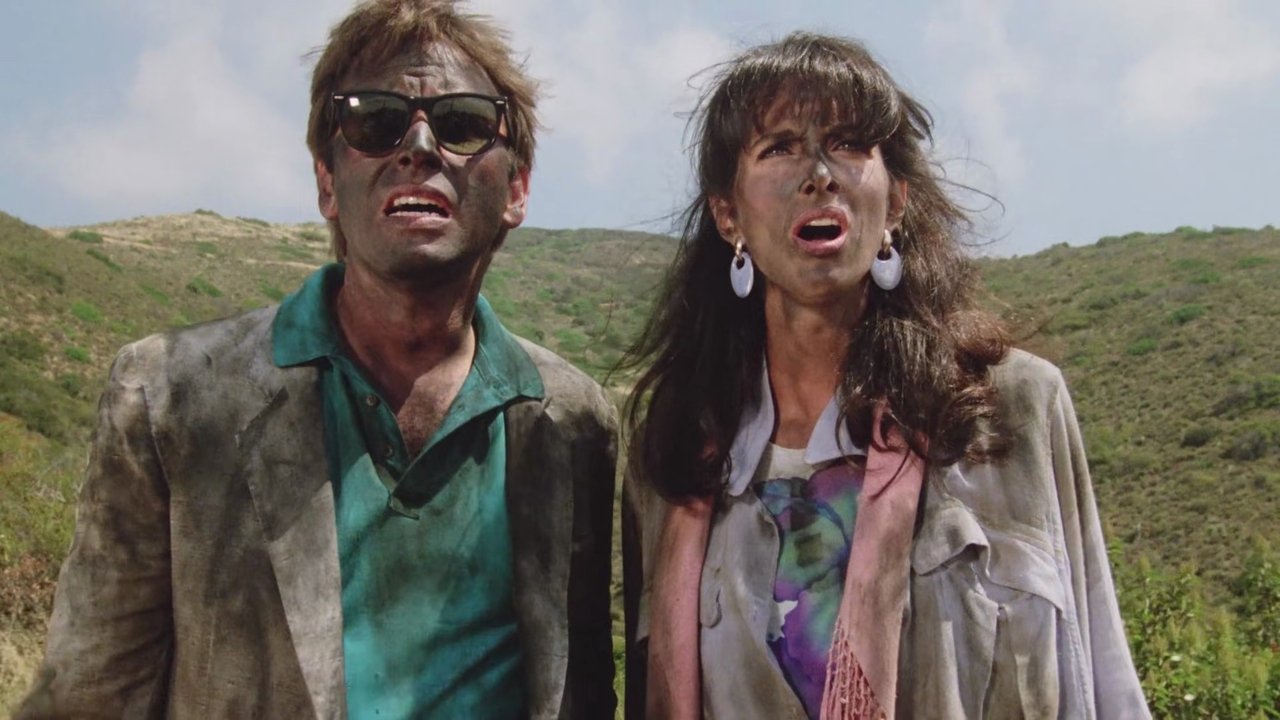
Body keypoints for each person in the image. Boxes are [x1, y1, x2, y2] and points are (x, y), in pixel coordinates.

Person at [18, 1, 617, 717]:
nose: (419, 146)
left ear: (516, 189)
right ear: (327, 183)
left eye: (462, 123)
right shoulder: (169, 398)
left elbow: (584, 685)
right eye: (375, 121)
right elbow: (90, 696)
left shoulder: (573, 421)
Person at [622, 32, 1148, 719]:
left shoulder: (1013, 406)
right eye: (779, 147)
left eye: (847, 143)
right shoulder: (673, 454)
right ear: (729, 216)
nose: (819, 174)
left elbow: (1100, 678)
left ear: (895, 202)